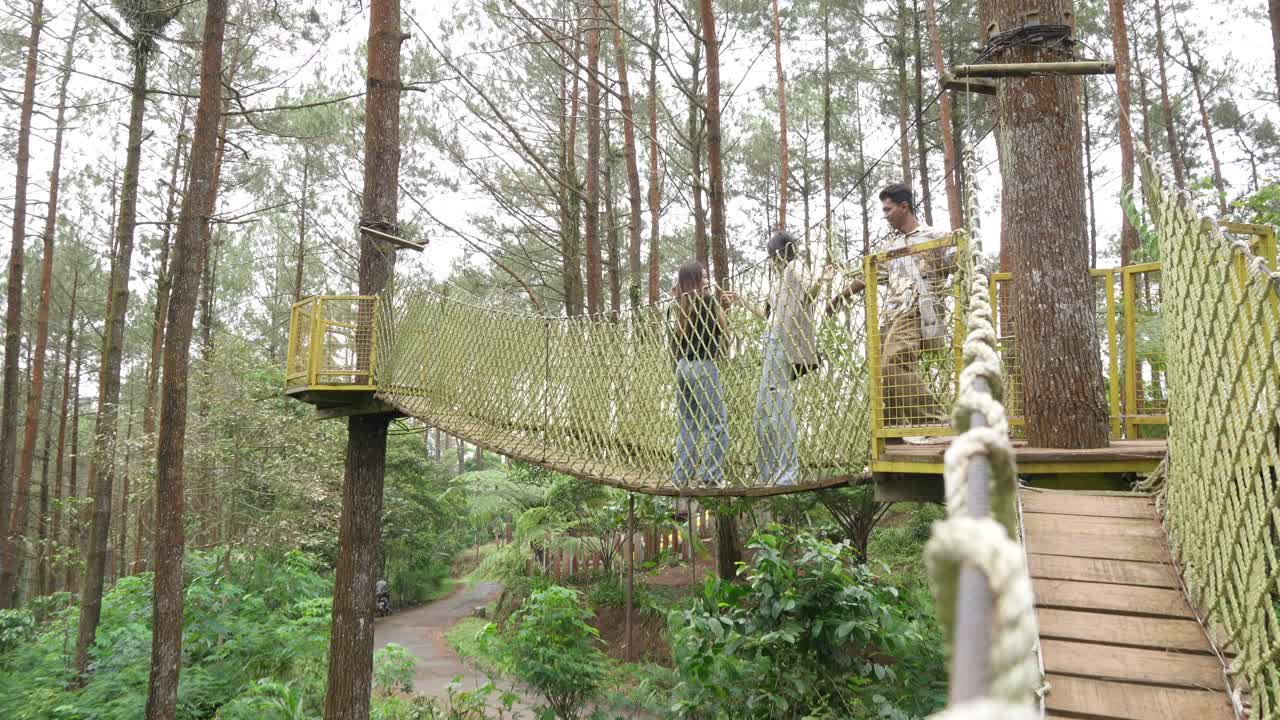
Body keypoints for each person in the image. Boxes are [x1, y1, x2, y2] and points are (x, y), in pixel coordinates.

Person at [827, 183, 953, 436]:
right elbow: (871, 276)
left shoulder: (934, 236)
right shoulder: (892, 246)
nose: (885, 216)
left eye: (888, 210)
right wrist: (840, 296)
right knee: (882, 375)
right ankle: (892, 437)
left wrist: (974, 272)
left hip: (919, 308)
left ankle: (935, 423)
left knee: (894, 360)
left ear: (904, 207)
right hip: (891, 315)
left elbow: (958, 260)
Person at [727, 230, 832, 486]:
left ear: (779, 252)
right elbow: (768, 315)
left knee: (779, 407)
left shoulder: (795, 266)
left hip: (783, 341)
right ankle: (768, 474)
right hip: (771, 340)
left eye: (771, 256)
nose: (770, 262)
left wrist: (822, 279)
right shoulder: (778, 280)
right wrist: (742, 302)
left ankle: (787, 474)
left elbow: (809, 293)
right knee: (762, 412)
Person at [669, 261, 729, 487]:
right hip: (703, 366)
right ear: (694, 280)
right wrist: (718, 301)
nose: (706, 280)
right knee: (717, 424)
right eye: (702, 277)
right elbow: (725, 329)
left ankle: (680, 477)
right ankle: (710, 476)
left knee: (688, 424)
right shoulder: (707, 300)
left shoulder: (680, 304)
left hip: (683, 368)